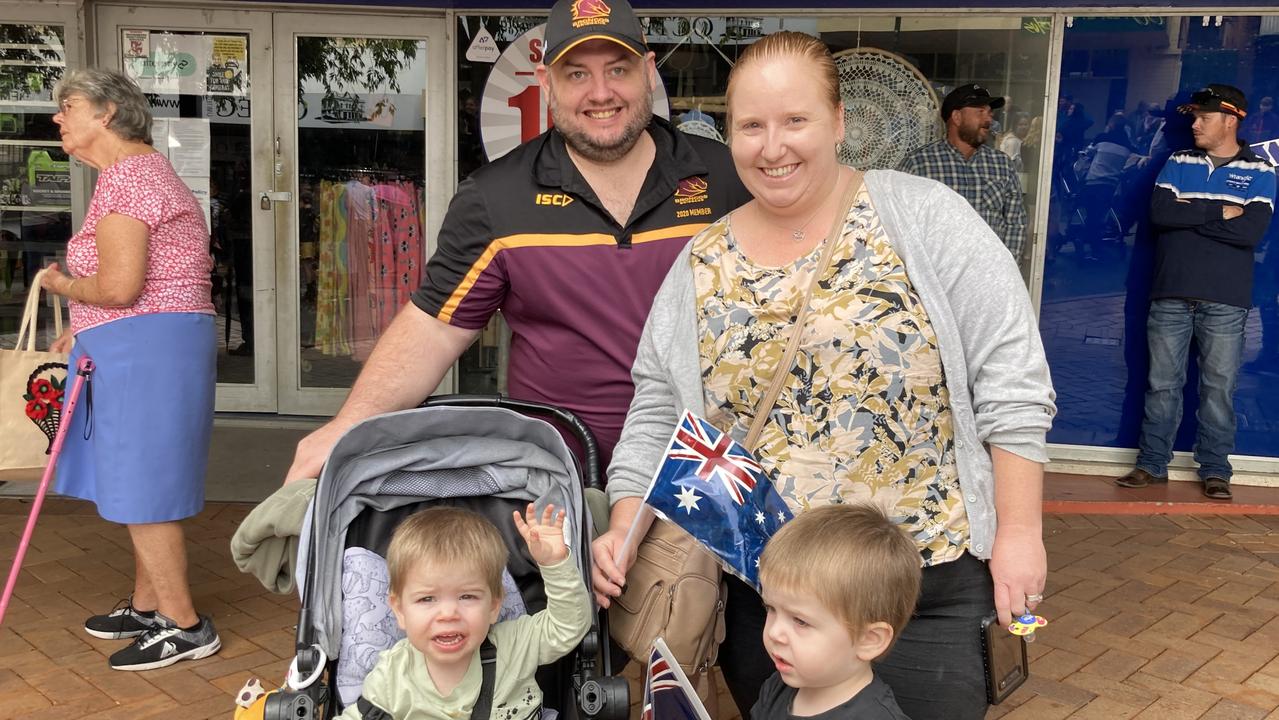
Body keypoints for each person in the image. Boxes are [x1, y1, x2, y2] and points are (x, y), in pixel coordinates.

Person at [592, 31, 1055, 720]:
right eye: (750, 125)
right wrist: (624, 525)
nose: (771, 145)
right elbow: (658, 408)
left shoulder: (924, 217)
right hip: (773, 602)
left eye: (794, 120)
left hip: (922, 592)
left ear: (839, 122)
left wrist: (1019, 535)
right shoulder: (702, 261)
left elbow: (1011, 379)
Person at [283, 0, 748, 484]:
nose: (601, 92)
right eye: (576, 74)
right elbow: (436, 328)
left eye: (618, 69)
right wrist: (348, 425)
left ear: (649, 73)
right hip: (556, 480)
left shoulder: (727, 178)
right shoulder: (496, 198)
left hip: (702, 478)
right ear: (546, 83)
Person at [37, 68, 219, 670]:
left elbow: (119, 286)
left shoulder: (130, 179)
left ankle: (186, 625)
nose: (58, 118)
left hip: (147, 346)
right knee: (139, 479)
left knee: (144, 484)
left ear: (107, 113)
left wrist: (61, 283)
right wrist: (80, 323)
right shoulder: (133, 176)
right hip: (143, 343)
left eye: (69, 106)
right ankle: (149, 606)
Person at [1114, 85, 1276, 500]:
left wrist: (1192, 212)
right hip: (1171, 293)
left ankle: (1216, 470)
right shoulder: (1178, 160)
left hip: (1226, 298)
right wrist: (1220, 209)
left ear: (1230, 119)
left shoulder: (1261, 170)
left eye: (1203, 117)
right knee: (1161, 385)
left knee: (1219, 389)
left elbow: (1250, 232)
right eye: (1193, 116)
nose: (1195, 123)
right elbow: (1161, 213)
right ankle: (1151, 465)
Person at [336, 504, 590, 720]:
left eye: (467, 596)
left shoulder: (516, 645)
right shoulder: (391, 676)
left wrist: (554, 564)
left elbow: (567, 626)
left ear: (493, 605)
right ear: (400, 611)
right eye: (427, 599)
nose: (448, 614)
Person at [752, 504, 919, 720]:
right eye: (771, 608)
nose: (774, 632)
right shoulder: (777, 689)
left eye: (800, 621)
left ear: (869, 639)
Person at [899, 83, 1029, 261]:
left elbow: (1016, 223)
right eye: (980, 112)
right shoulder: (918, 165)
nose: (988, 119)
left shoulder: (1002, 165)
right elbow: (901, 226)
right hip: (934, 281)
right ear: (957, 117)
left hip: (988, 280)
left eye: (989, 112)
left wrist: (1005, 270)